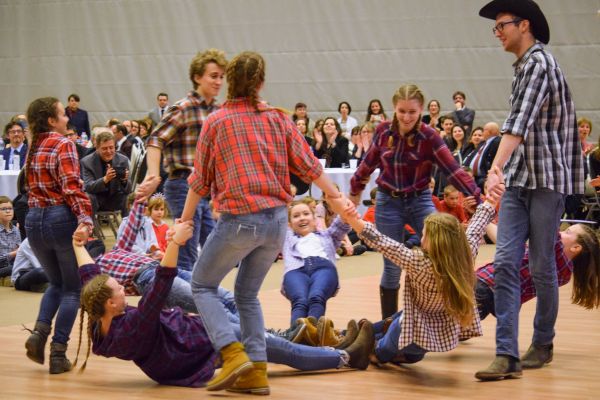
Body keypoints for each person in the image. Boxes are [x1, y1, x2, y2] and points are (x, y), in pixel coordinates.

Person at [180, 51, 342, 394]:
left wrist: (183, 220)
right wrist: (335, 197)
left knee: (201, 285)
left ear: (230, 82)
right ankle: (256, 372)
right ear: (261, 83)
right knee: (247, 295)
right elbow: (309, 165)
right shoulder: (279, 119)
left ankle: (231, 350)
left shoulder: (217, 121)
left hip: (240, 221)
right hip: (275, 224)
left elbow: (199, 181)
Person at [72, 221, 374, 391]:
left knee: (260, 337)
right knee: (271, 348)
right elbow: (162, 281)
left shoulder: (100, 319)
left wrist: (78, 245)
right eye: (119, 290)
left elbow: (89, 276)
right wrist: (175, 243)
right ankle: (346, 357)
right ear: (112, 303)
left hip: (185, 342)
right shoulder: (132, 328)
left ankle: (325, 346)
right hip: (191, 351)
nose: (124, 290)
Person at [476, 0, 584, 380]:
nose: (497, 32)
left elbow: (518, 124)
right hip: (521, 179)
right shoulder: (523, 67)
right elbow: (517, 126)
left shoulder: (539, 63)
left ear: (525, 25)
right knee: (505, 262)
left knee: (541, 265)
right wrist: (504, 170)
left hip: (547, 181)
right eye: (495, 27)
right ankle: (506, 353)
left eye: (501, 24)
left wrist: (494, 169)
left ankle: (542, 342)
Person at [327, 179, 503, 366]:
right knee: (397, 318)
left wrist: (351, 217)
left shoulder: (420, 264)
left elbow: (382, 242)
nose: (422, 237)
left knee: (398, 324)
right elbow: (477, 225)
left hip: (412, 335)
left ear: (434, 242)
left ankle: (374, 352)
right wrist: (491, 200)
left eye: (425, 234)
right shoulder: (466, 253)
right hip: (432, 340)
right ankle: (347, 335)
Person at [349, 84, 481, 319]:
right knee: (391, 266)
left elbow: (452, 169)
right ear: (394, 109)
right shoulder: (383, 131)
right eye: (401, 111)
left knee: (444, 253)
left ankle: (458, 317)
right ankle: (388, 326)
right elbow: (367, 164)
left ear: (421, 110)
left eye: (412, 112)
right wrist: (355, 190)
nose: (406, 117)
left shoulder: (429, 136)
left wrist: (475, 195)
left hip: (420, 199)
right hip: (388, 202)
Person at [140, 49, 228, 271]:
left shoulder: (218, 111)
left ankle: (199, 296)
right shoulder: (184, 108)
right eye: (213, 75)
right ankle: (184, 303)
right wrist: (153, 173)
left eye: (221, 77)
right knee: (186, 252)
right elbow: (155, 139)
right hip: (182, 184)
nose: (218, 81)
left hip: (205, 189)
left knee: (213, 247)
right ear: (198, 77)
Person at [23, 96, 93, 375]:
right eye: (63, 115)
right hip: (59, 218)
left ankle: (39, 335)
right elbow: (72, 186)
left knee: (55, 283)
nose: (68, 119)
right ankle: (58, 353)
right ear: (52, 120)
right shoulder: (63, 144)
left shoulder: (34, 145)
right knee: (73, 288)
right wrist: (85, 219)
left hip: (33, 220)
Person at [476, 223, 600, 321]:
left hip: (487, 286)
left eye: (567, 232)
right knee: (464, 326)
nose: (561, 232)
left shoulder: (563, 268)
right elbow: (503, 240)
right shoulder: (542, 255)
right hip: (491, 290)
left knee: (460, 323)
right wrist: (485, 212)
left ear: (576, 248)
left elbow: (551, 233)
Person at [282, 200, 350, 326]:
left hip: (323, 268)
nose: (302, 218)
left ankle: (312, 333)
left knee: (316, 297)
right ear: (290, 224)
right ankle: (296, 337)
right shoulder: (287, 237)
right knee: (300, 301)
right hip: (295, 270)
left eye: (306, 214)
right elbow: (275, 219)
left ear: (314, 219)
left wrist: (350, 198)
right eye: (296, 216)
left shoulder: (327, 235)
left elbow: (343, 220)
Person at [80, 130, 131, 216]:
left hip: (115, 199)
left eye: (111, 147)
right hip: (97, 200)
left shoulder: (123, 160)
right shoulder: (87, 162)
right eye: (104, 148)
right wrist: (105, 179)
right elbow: (88, 187)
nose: (109, 151)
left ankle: (128, 227)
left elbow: (129, 189)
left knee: (127, 198)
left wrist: (124, 181)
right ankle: (91, 228)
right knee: (88, 197)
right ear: (97, 148)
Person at [0, 195, 20, 279]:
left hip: (13, 264)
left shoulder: (16, 230)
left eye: (10, 208)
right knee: (19, 269)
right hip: (2, 267)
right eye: (3, 209)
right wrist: (13, 253)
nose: (8, 211)